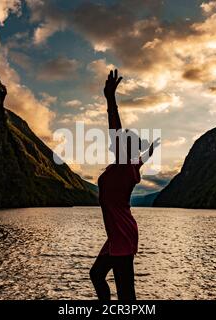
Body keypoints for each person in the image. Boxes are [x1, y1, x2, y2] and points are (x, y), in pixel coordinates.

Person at [90, 69, 160, 301]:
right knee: (97, 275)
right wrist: (150, 150)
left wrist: (111, 99)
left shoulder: (122, 166)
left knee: (126, 294)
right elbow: (141, 159)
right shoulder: (129, 166)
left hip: (121, 235)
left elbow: (115, 130)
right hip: (118, 233)